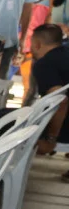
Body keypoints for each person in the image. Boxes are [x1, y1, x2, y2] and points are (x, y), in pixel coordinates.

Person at [29, 25, 69, 167]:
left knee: (6, 124)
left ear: (37, 44)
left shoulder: (44, 64)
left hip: (65, 123)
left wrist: (51, 139)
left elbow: (61, 101)